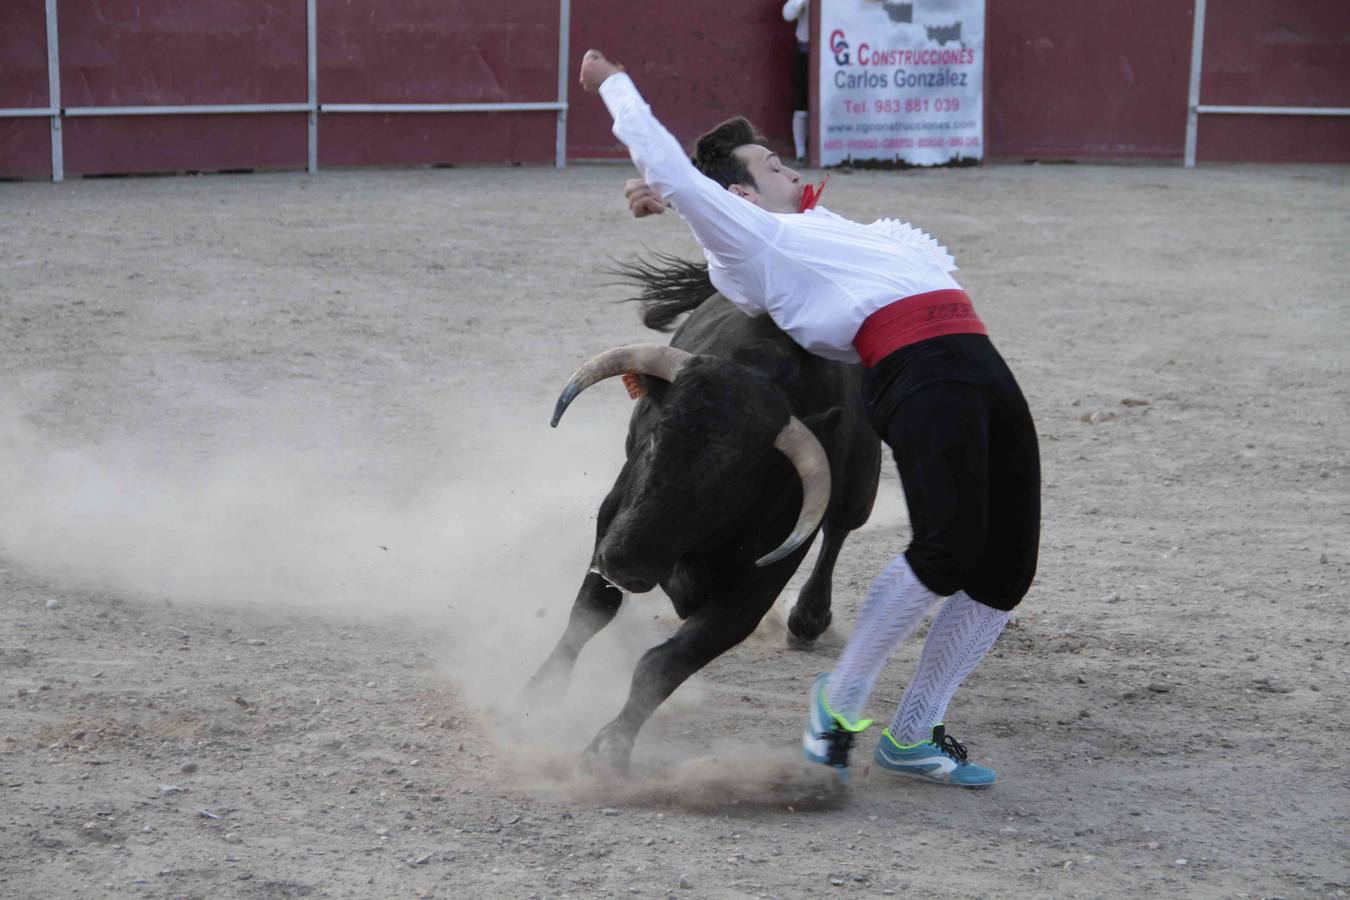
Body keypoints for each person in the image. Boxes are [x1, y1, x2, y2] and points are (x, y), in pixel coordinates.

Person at [580, 50, 1040, 787]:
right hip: (915, 368)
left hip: (977, 356)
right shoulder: (758, 239)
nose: (790, 168)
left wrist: (677, 198)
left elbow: (706, 192)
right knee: (949, 550)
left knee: (1008, 567)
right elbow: (674, 168)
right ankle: (840, 702)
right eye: (770, 165)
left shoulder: (814, 227)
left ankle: (913, 733)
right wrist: (614, 83)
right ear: (741, 196)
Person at [781, 0, 811, 162]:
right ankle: (801, 153)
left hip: (838, 51)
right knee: (802, 103)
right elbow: (788, 14)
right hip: (806, 51)